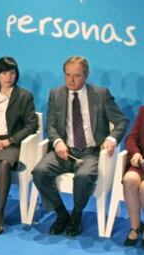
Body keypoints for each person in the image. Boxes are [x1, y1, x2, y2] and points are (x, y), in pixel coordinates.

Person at [32, 56, 129, 236]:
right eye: (68, 75)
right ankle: (61, 213)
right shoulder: (56, 93)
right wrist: (58, 142)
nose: (71, 80)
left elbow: (122, 121)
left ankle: (76, 215)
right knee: (39, 172)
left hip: (90, 153)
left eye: (76, 76)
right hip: (64, 151)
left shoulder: (101, 95)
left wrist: (111, 139)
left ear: (86, 75)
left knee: (83, 176)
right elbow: (51, 125)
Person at [0, 57, 37, 236]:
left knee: (4, 165)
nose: (8, 77)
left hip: (11, 144)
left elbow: (31, 124)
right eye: (4, 73)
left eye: (12, 73)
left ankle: (0, 215)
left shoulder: (24, 96)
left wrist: (10, 140)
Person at [122, 106, 144, 246]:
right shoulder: (143, 110)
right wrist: (135, 152)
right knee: (129, 180)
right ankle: (135, 226)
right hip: (141, 164)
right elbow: (131, 137)